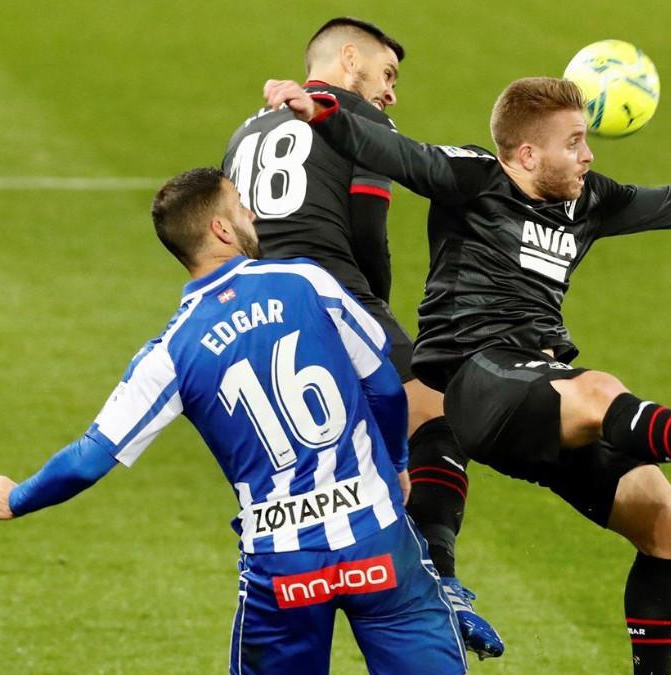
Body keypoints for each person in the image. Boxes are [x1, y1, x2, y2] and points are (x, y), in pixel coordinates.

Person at [263, 76, 671, 673]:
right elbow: (396, 152)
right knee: (599, 390)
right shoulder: (472, 178)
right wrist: (323, 112)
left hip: (537, 399)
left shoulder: (589, 201)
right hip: (475, 381)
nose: (588, 155)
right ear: (527, 154)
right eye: (574, 142)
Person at [0, 169, 468, 674]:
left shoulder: (171, 351)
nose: (252, 215)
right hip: (376, 538)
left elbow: (90, 457)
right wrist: (398, 464)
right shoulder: (306, 281)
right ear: (222, 230)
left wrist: (16, 497)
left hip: (283, 566)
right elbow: (382, 385)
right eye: (242, 207)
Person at [221, 17, 502, 657]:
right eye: (387, 74)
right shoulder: (355, 121)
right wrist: (374, 307)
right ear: (350, 60)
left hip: (257, 322)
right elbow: (369, 231)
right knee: (437, 416)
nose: (391, 93)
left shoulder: (244, 132)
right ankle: (442, 581)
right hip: (336, 297)